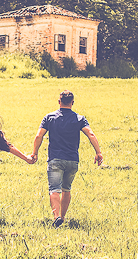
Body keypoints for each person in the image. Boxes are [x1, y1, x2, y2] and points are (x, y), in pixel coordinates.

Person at [31, 90, 102, 227]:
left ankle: (56, 216)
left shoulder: (49, 117)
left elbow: (38, 136)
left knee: (54, 189)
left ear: (59, 102)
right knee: (66, 189)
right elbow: (91, 134)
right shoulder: (80, 119)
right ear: (72, 103)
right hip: (72, 160)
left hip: (55, 160)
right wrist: (98, 152)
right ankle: (62, 217)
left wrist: (35, 152)